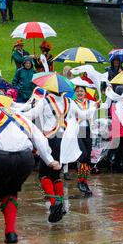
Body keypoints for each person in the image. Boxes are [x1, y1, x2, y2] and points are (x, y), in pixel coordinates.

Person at [0, 103, 60, 244]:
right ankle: (11, 234)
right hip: (25, 158)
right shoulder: (17, 114)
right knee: (9, 191)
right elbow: (38, 137)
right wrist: (50, 160)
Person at [22, 87, 97, 223]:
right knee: (56, 174)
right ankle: (60, 204)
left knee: (44, 174)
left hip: (50, 140)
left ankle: (53, 203)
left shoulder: (45, 101)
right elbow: (85, 115)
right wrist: (94, 107)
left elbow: (31, 115)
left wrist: (13, 113)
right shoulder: (69, 101)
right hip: (64, 140)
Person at [73, 86, 97, 196]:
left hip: (88, 130)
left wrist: (109, 93)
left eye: (81, 91)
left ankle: (84, 182)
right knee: (83, 155)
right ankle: (80, 181)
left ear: (85, 92)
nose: (79, 93)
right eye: (77, 91)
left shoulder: (91, 103)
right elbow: (83, 115)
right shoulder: (72, 103)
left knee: (87, 158)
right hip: (78, 130)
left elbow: (104, 105)